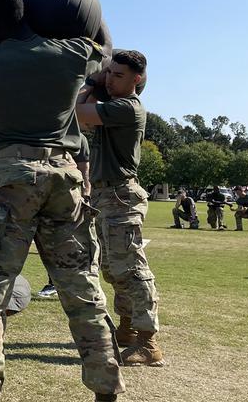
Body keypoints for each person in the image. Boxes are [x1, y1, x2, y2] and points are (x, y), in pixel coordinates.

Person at [0, 0, 123, 402]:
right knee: (82, 287)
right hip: (66, 177)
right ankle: (107, 386)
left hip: (10, 175)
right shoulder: (70, 55)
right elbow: (104, 44)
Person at [77, 49, 164, 368]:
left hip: (120, 196)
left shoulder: (128, 108)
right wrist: (99, 83)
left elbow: (76, 111)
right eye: (109, 72)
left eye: (118, 75)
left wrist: (91, 79)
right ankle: (127, 329)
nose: (110, 79)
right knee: (113, 269)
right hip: (105, 196)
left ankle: (148, 342)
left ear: (136, 80)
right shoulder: (113, 105)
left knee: (132, 268)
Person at [37, 131, 93, 299]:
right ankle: (54, 283)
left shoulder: (79, 137)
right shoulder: (44, 128)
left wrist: (86, 192)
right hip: (38, 193)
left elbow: (84, 167)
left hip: (70, 195)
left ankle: (80, 287)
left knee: (71, 244)